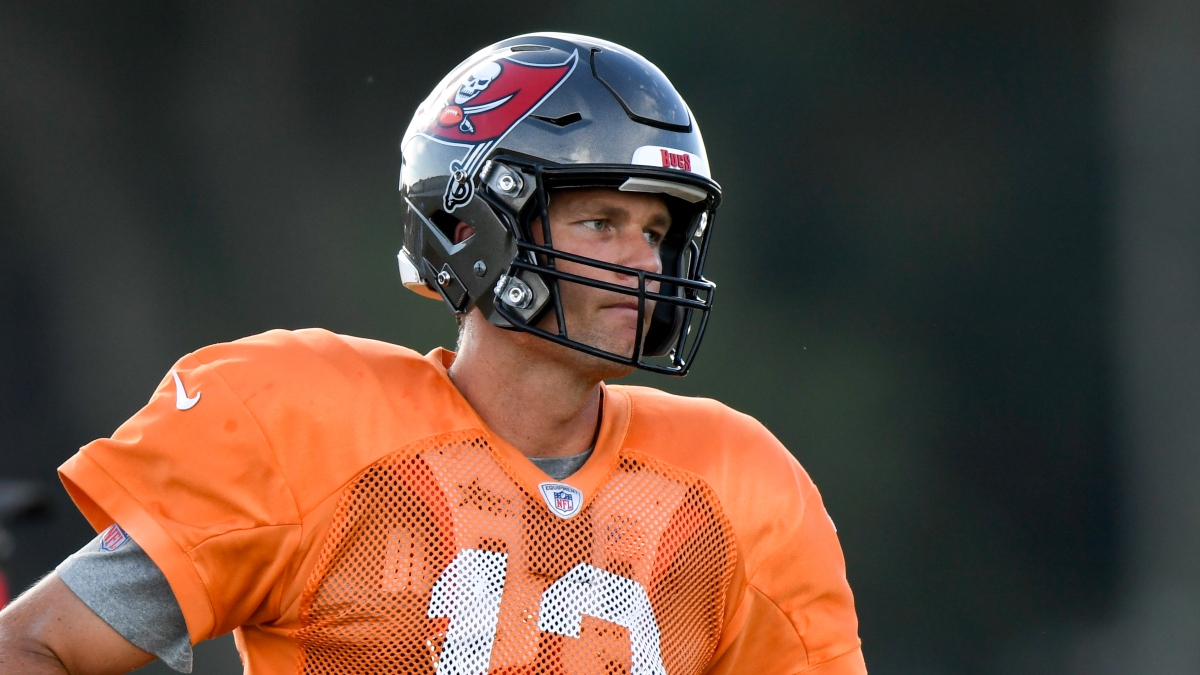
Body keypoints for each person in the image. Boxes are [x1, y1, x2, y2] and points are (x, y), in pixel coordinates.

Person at [0, 32, 867, 675]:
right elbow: (34, 644)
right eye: (601, 221)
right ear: (471, 230)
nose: (643, 263)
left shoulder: (741, 486)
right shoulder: (303, 428)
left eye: (656, 230)